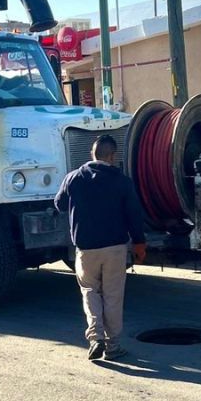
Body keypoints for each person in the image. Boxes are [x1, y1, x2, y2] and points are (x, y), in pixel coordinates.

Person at [54, 135, 147, 361]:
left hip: (86, 249)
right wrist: (139, 243)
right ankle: (113, 346)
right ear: (113, 156)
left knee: (89, 291)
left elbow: (59, 204)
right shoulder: (123, 182)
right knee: (113, 295)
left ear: (92, 155)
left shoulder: (73, 178)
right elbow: (134, 215)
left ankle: (95, 337)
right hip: (115, 247)